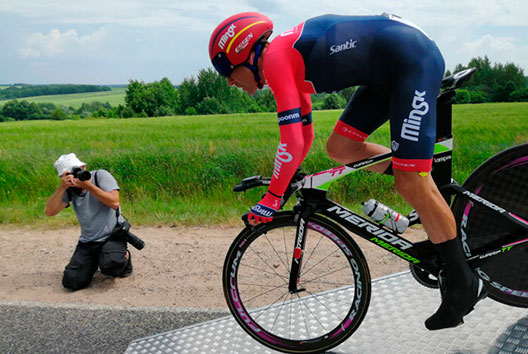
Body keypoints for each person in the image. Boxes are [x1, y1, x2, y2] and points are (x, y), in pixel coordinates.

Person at [209, 12, 487, 330]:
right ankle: (426, 180)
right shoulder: (283, 59)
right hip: (387, 69)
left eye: (228, 72)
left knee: (410, 182)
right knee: (341, 149)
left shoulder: (275, 59)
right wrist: (283, 183)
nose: (229, 81)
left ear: (245, 54)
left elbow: (291, 137)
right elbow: (304, 134)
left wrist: (272, 197)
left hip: (411, 60)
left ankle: (464, 285)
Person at [45, 153, 132, 290]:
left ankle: (125, 259)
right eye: (69, 174)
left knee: (112, 265)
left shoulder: (100, 176)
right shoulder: (69, 190)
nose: (76, 175)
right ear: (63, 177)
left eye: (78, 169)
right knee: (71, 281)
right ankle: (94, 261)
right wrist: (61, 188)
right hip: (88, 241)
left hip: (112, 235)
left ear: (84, 167)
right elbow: (50, 212)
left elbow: (114, 202)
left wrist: (88, 187)